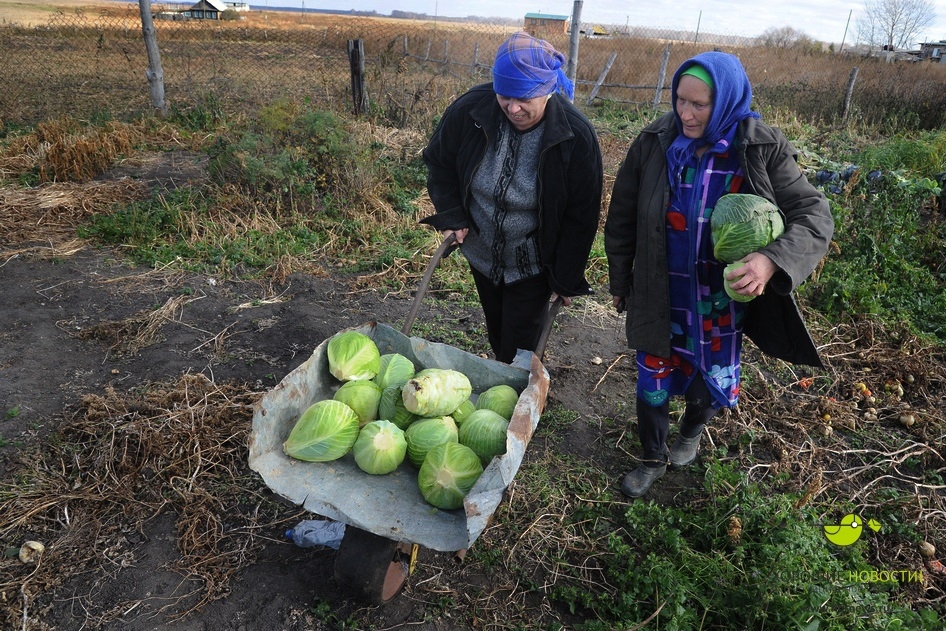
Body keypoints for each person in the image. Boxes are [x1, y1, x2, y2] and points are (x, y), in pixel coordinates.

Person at [604, 51, 834, 497]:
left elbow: (814, 213)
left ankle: (690, 430)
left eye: (699, 104)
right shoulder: (654, 141)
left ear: (726, 100)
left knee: (708, 382)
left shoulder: (760, 146)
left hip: (721, 297)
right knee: (652, 377)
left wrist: (771, 260)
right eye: (680, 101)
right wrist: (620, 282)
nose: (686, 114)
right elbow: (623, 216)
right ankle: (651, 455)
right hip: (660, 290)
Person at [421, 31, 604, 363]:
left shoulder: (575, 135)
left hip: (532, 260)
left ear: (546, 91)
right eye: (504, 96)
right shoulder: (470, 110)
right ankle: (507, 373)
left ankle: (517, 391)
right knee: (497, 329)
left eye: (524, 98)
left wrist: (565, 277)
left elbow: (582, 214)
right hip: (481, 251)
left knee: (517, 346)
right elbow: (439, 162)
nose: (513, 108)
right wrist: (452, 214)